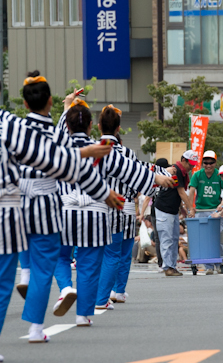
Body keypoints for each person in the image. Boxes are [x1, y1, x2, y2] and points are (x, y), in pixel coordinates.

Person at [0, 104, 116, 359]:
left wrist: (65, 110)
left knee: (58, 259)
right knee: (86, 264)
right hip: (84, 213)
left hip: (53, 208)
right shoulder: (16, 127)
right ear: (91, 126)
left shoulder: (40, 134)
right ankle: (78, 316)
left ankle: (57, 285)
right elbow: (123, 168)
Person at [60, 100, 175, 325]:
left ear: (98, 125)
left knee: (62, 257)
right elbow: (136, 170)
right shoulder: (117, 152)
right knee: (107, 257)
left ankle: (64, 288)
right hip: (110, 208)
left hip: (66, 208)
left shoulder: (65, 144)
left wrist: (66, 110)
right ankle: (96, 303)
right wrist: (158, 177)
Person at [95, 105, 142, 308]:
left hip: (97, 206)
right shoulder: (128, 154)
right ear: (118, 127)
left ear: (98, 126)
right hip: (125, 205)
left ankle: (100, 294)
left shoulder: (92, 149)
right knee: (121, 253)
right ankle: (117, 291)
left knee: (100, 253)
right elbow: (137, 181)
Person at [153, 149, 196, 277]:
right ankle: (167, 267)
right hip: (164, 208)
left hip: (172, 209)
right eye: (190, 164)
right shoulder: (176, 171)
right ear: (184, 160)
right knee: (166, 239)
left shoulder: (182, 172)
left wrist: (182, 208)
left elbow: (178, 195)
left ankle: (172, 265)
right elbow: (181, 192)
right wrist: (190, 208)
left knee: (174, 238)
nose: (191, 167)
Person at [189, 150, 223, 274]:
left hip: (215, 210)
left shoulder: (219, 175)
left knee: (217, 237)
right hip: (201, 210)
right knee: (204, 239)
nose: (208, 165)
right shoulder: (197, 175)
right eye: (206, 163)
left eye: (211, 163)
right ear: (202, 163)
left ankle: (218, 262)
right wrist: (191, 208)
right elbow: (191, 191)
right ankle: (209, 265)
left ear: (215, 163)